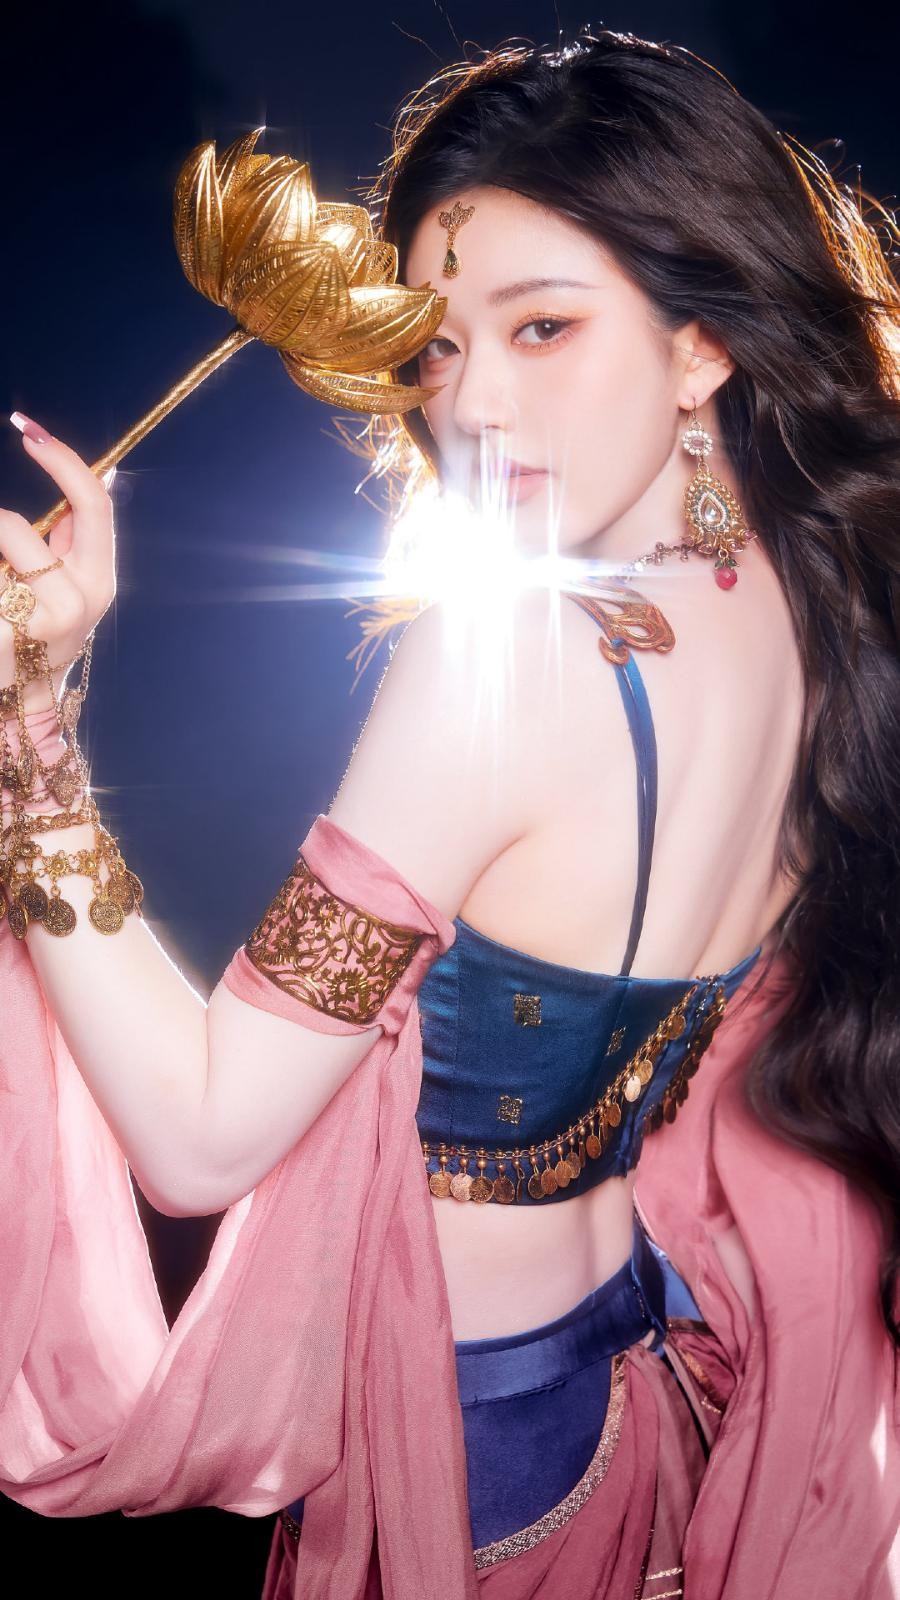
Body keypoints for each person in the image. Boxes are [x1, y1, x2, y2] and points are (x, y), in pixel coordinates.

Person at [1, 27, 898, 1600]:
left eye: (543, 326)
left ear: (701, 344)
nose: (473, 403)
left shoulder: (502, 664)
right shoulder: (802, 598)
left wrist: (29, 743)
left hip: (468, 1453)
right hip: (643, 1395)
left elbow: (200, 1138)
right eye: (435, 345)